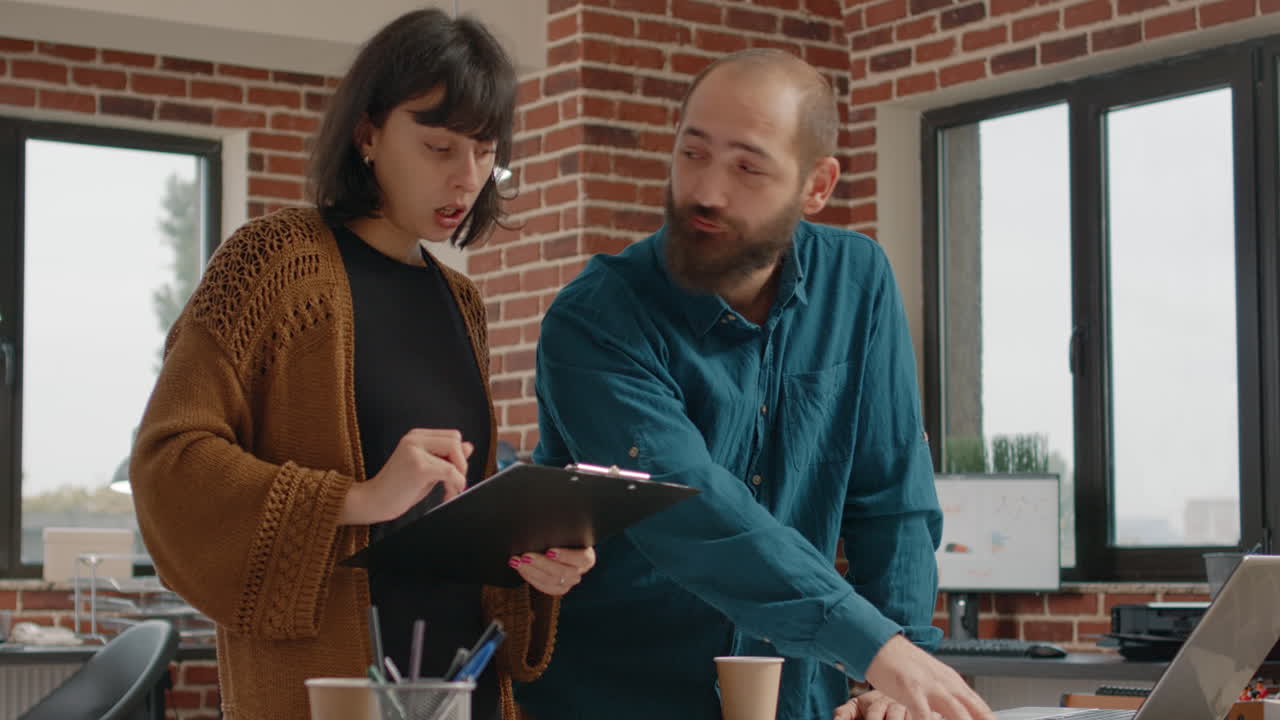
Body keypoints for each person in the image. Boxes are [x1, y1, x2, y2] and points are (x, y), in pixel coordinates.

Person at [129, 9, 593, 720]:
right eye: (438, 147)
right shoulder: (271, 262)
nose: (466, 178)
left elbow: (447, 525)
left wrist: (533, 565)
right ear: (368, 134)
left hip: (460, 688)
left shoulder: (462, 303)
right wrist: (358, 499)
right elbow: (169, 466)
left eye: (483, 150)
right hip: (325, 693)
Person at [518, 49, 993, 720]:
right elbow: (685, 507)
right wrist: (877, 648)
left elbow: (890, 500)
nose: (707, 192)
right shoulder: (596, 318)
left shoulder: (857, 282)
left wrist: (892, 671)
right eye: (693, 153)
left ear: (816, 185)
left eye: (747, 167)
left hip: (794, 701)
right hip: (619, 699)